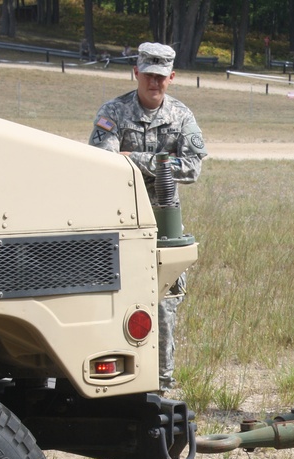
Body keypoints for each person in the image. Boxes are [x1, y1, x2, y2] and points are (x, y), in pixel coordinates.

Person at [89, 42, 208, 393]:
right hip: (117, 220)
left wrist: (135, 158)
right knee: (110, 298)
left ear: (171, 77)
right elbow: (103, 161)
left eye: (161, 77)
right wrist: (160, 161)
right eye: (149, 76)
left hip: (164, 225)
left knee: (165, 302)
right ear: (136, 73)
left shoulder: (182, 116)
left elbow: (192, 168)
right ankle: (112, 379)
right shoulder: (114, 111)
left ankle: (161, 384)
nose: (154, 83)